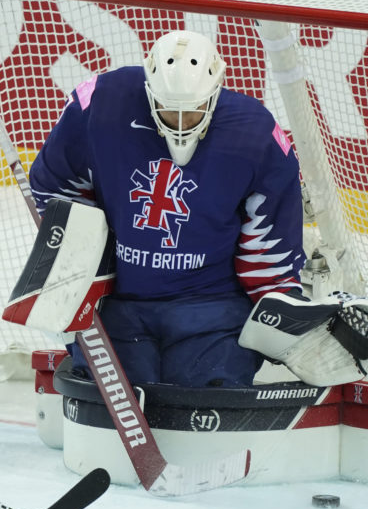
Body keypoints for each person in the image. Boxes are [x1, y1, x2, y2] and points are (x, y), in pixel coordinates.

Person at [28, 30, 305, 388]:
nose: (180, 121)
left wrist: (281, 312)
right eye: (168, 109)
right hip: (119, 303)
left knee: (207, 396)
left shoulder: (255, 133)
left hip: (212, 307)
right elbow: (56, 186)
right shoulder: (99, 104)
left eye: (192, 111)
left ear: (215, 91)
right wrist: (78, 277)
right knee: (118, 392)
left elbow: (270, 244)